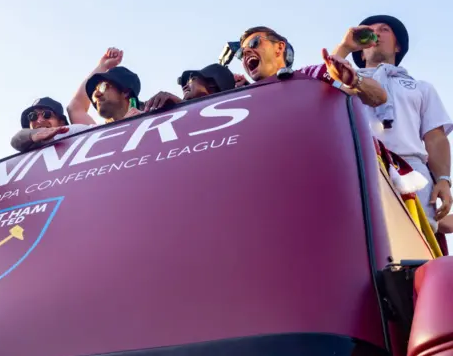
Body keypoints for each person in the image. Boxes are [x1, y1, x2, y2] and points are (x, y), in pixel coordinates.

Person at [332, 15, 452, 231]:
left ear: (398, 46)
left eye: (384, 29)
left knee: (415, 242)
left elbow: (435, 138)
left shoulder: (420, 87)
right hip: (355, 165)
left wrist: (443, 179)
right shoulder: (342, 79)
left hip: (411, 170)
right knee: (355, 236)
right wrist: (344, 48)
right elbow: (318, 89)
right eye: (370, 30)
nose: (376, 33)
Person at [237, 26, 387, 108]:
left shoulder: (309, 77)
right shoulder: (240, 98)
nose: (246, 52)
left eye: (254, 43)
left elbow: (379, 98)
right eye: (241, 53)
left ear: (279, 47)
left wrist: (355, 80)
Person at [66, 48, 143, 125]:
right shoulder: (96, 133)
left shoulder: (147, 126)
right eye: (95, 91)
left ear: (126, 91)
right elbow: (74, 107)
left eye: (103, 87)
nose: (96, 95)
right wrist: (102, 66)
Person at [143, 63, 236, 112]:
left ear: (212, 83)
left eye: (192, 79)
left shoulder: (230, 112)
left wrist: (182, 106)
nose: (185, 87)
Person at [11, 97, 85, 153]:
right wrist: (32, 136)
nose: (39, 120)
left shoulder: (73, 133)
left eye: (47, 114)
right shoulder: (28, 147)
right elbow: (16, 140)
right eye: (33, 116)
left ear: (61, 122)